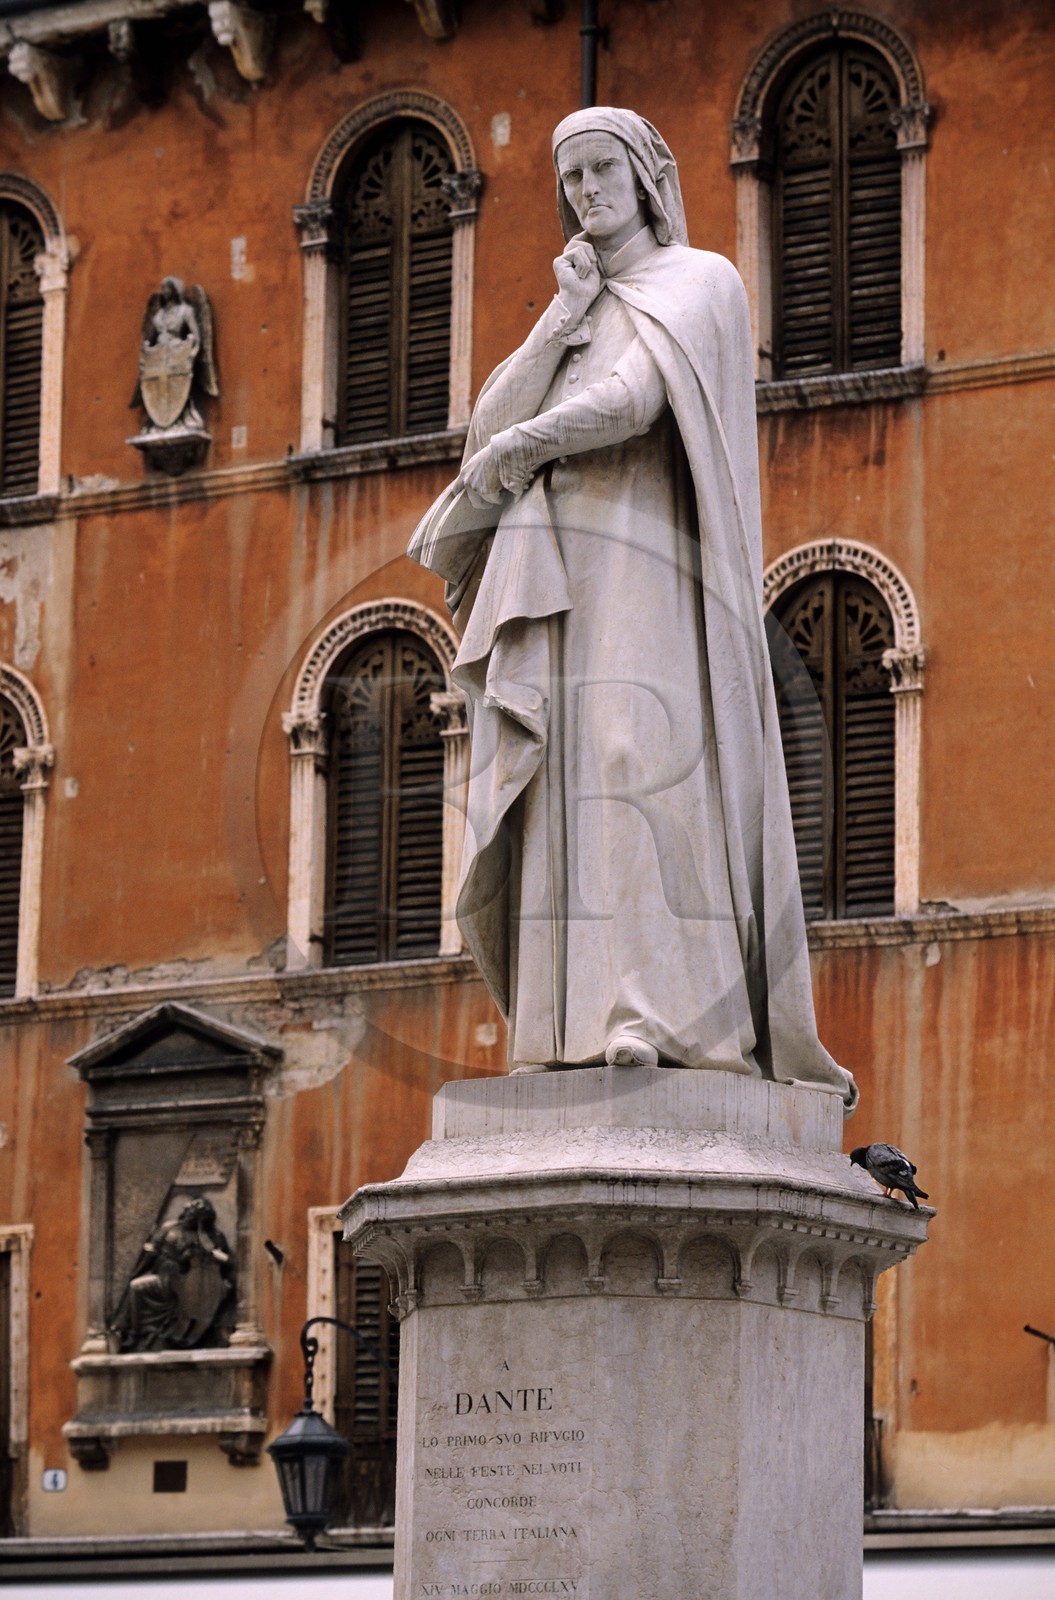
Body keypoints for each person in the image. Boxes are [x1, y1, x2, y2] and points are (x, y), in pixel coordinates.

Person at [410, 107, 857, 1109]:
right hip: (566, 579)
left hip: (651, 569)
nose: (586, 193)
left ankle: (657, 1013)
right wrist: (555, 321)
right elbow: (487, 418)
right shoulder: (583, 299)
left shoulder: (700, 283)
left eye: (602, 168)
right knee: (561, 780)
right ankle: (565, 1022)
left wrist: (525, 448)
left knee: (634, 753)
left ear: (645, 172)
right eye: (570, 179)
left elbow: (632, 399)